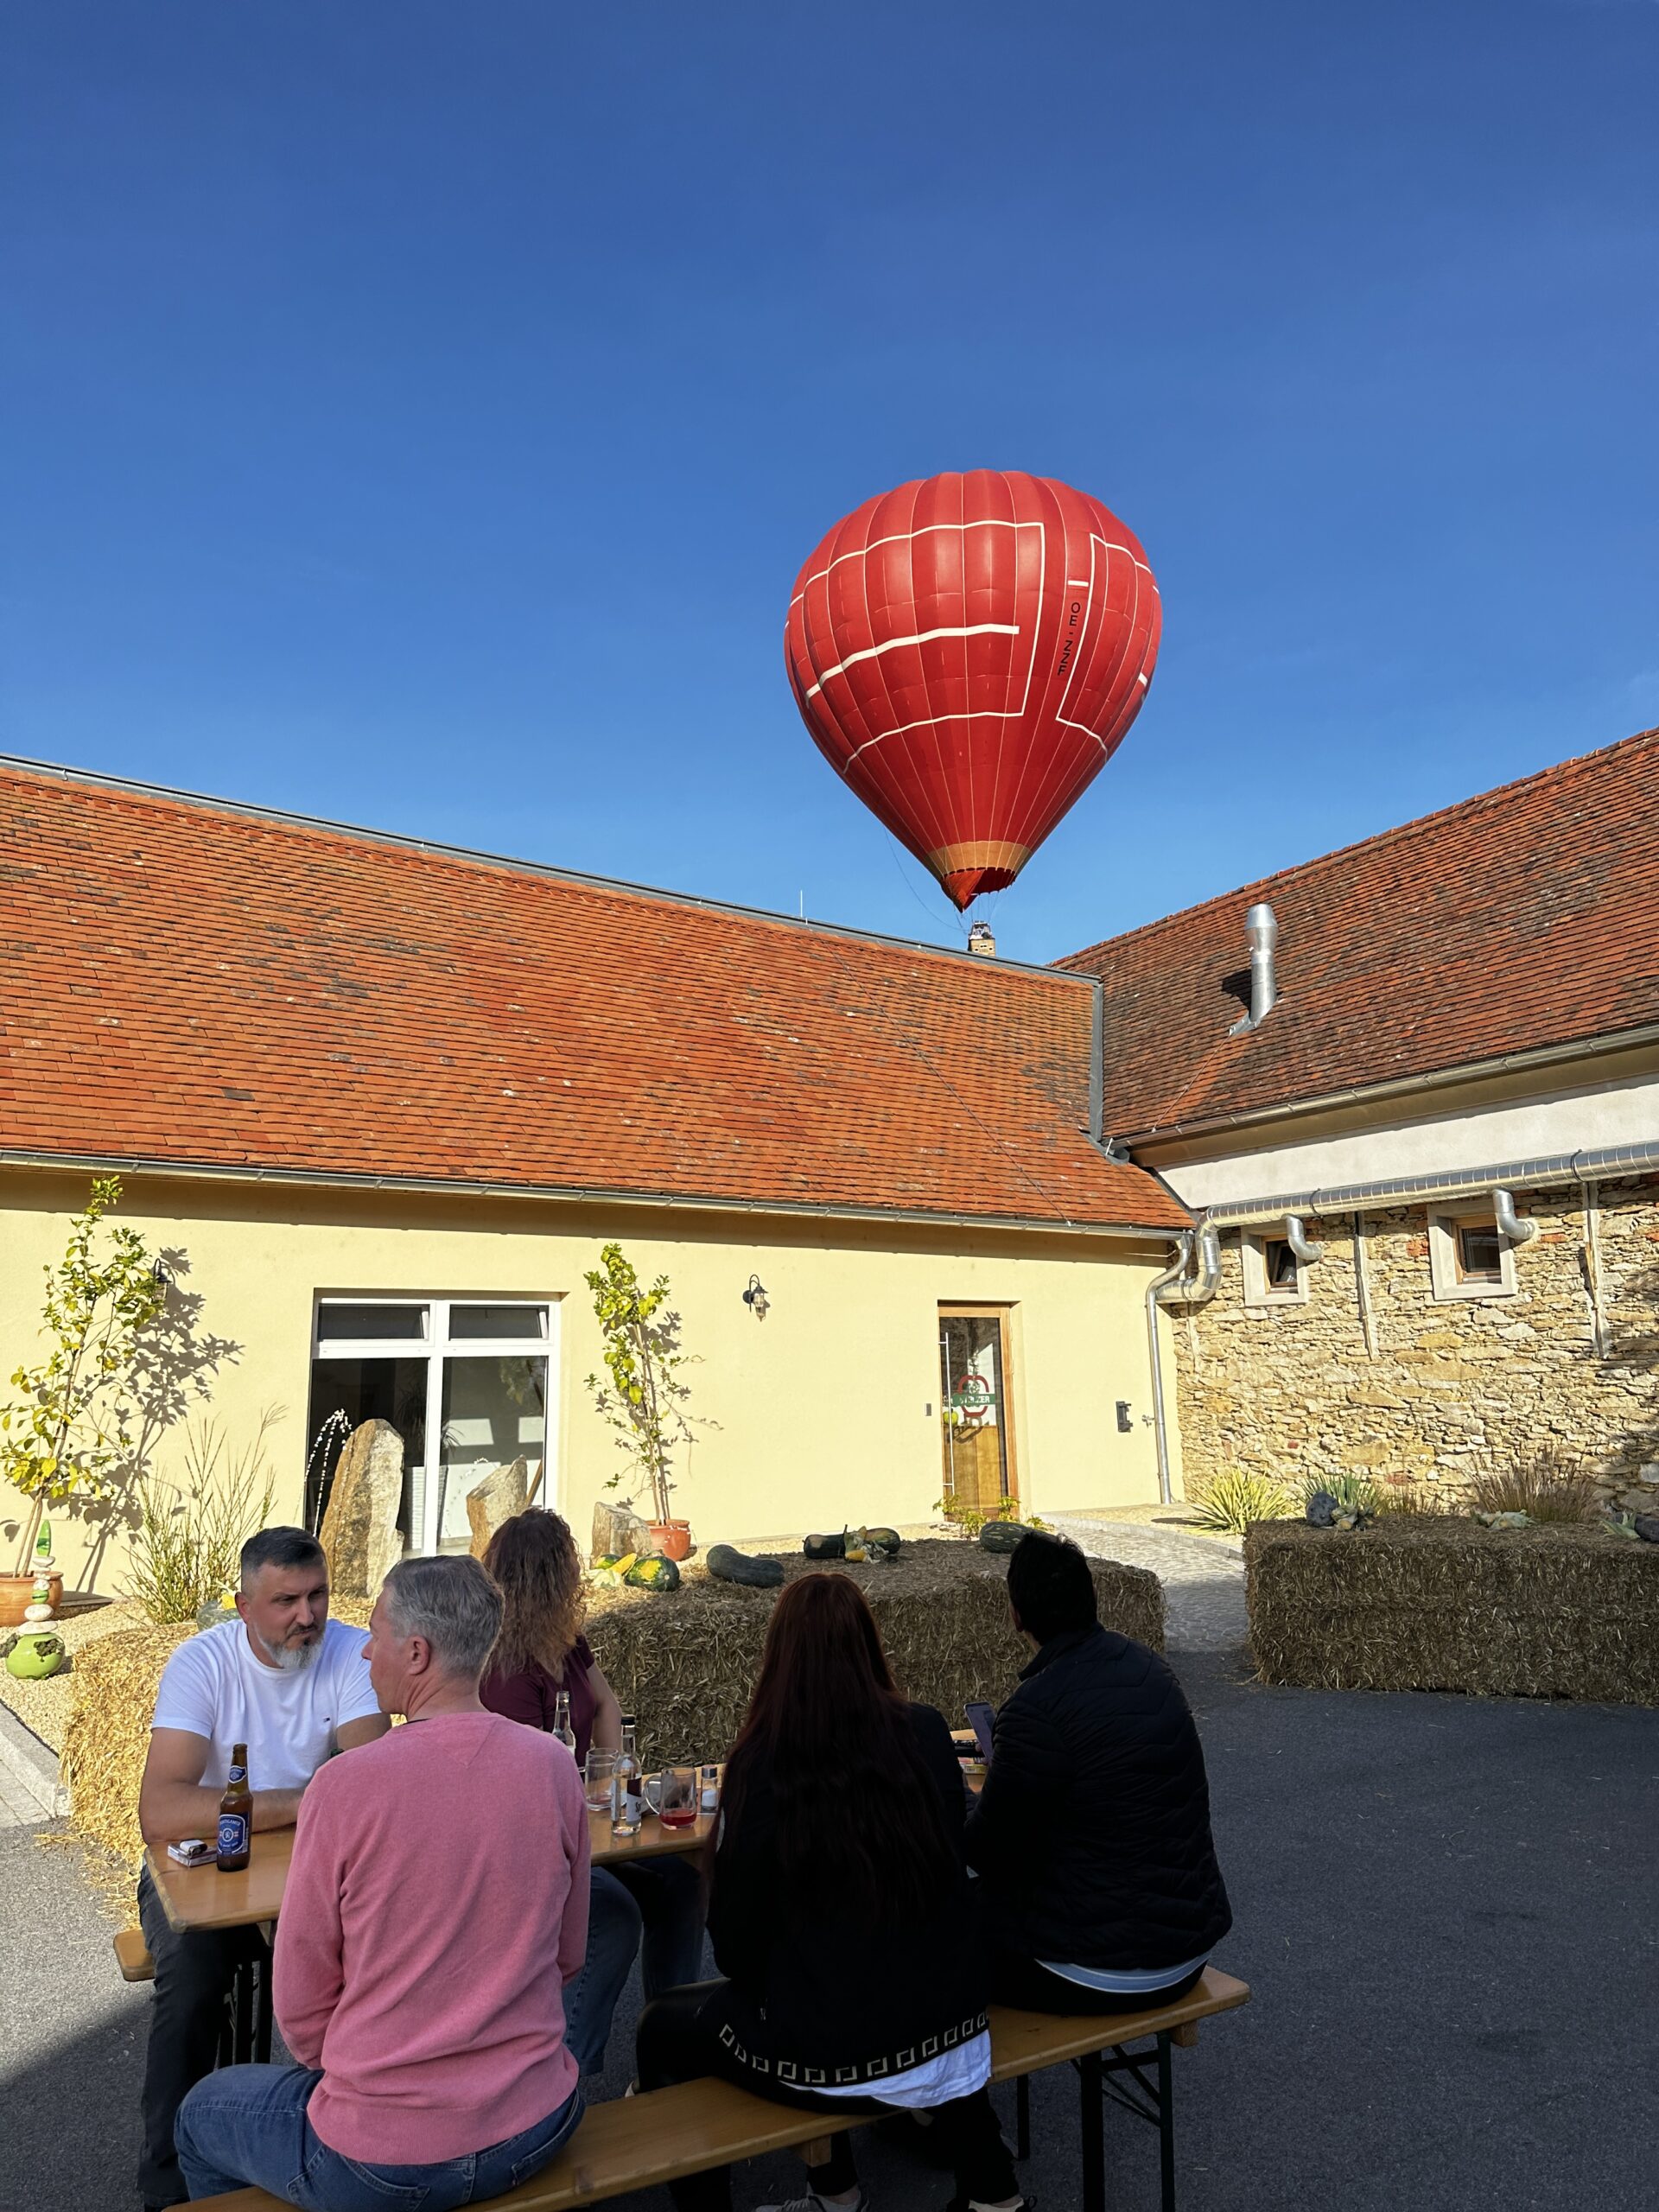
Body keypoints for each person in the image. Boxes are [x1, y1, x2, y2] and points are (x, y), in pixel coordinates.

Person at [174, 1554, 589, 2210]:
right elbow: (569, 1955)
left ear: (417, 1653)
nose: (365, 1651)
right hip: (538, 2122)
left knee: (199, 2114)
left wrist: (361, 2078)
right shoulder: (552, 1765)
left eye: (376, 1633)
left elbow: (303, 2007)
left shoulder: (344, 1787)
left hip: (385, 2157)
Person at [636, 1573, 1027, 2212]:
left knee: (662, 2026)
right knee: (881, 1982)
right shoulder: (928, 1733)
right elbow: (955, 1862)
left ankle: (835, 2194)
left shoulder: (763, 1762)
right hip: (955, 2024)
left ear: (778, 1656)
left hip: (837, 2051)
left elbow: (735, 1947)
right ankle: (989, 2192)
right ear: (870, 1646)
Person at [136, 1527, 390, 2209]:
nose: (307, 1616)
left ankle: (360, 2145)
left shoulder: (351, 1652)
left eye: (318, 1596)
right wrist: (306, 1801)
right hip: (205, 1875)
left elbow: (373, 1783)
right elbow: (161, 1811)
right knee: (190, 1985)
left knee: (386, 1959)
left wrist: (288, 1834)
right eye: (286, 1601)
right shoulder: (201, 1663)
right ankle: (166, 2180)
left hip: (317, 1870)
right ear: (244, 1605)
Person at [966, 1530, 1232, 2015]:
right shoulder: (1150, 1667)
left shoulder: (1035, 1708)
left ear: (1016, 1615)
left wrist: (957, 1799)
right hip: (1188, 1950)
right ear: (1092, 1598)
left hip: (1095, 1971)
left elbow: (988, 1851)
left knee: (941, 1925)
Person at [480, 1509, 705, 2075]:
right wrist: (597, 1797)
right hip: (533, 1841)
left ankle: (670, 2046)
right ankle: (566, 2073)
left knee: (682, 1880)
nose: (580, 1577)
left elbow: (604, 1703)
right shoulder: (505, 1668)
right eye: (571, 1565)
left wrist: (611, 1779)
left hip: (586, 1818)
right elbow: (527, 1784)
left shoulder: (565, 1640)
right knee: (612, 1912)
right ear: (550, 1577)